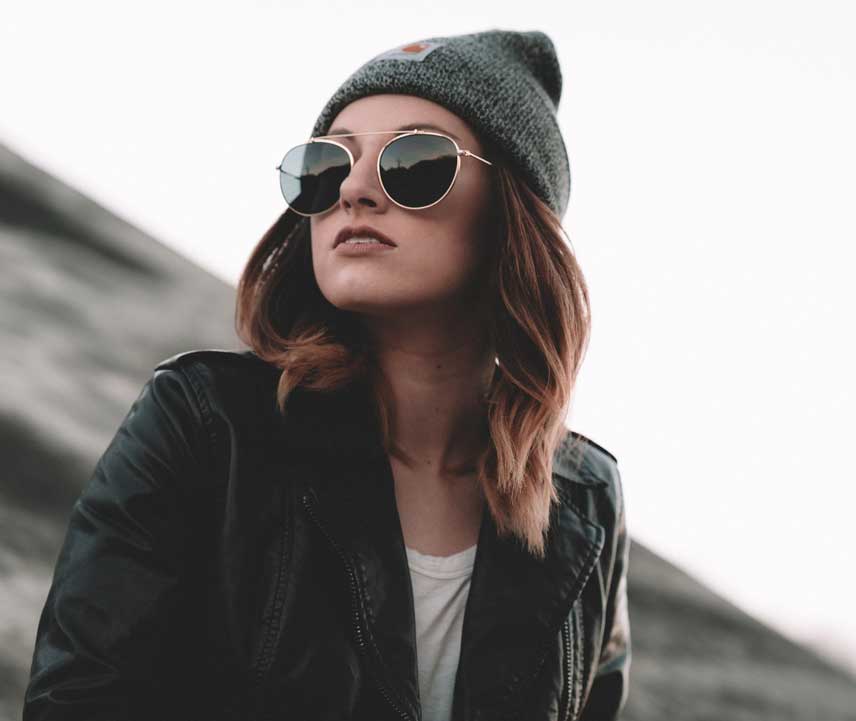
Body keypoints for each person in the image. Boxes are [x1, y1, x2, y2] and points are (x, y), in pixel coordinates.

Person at [22, 28, 631, 721]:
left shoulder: (585, 500)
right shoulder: (205, 425)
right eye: (327, 163)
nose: (356, 189)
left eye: (415, 160)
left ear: (513, 214)